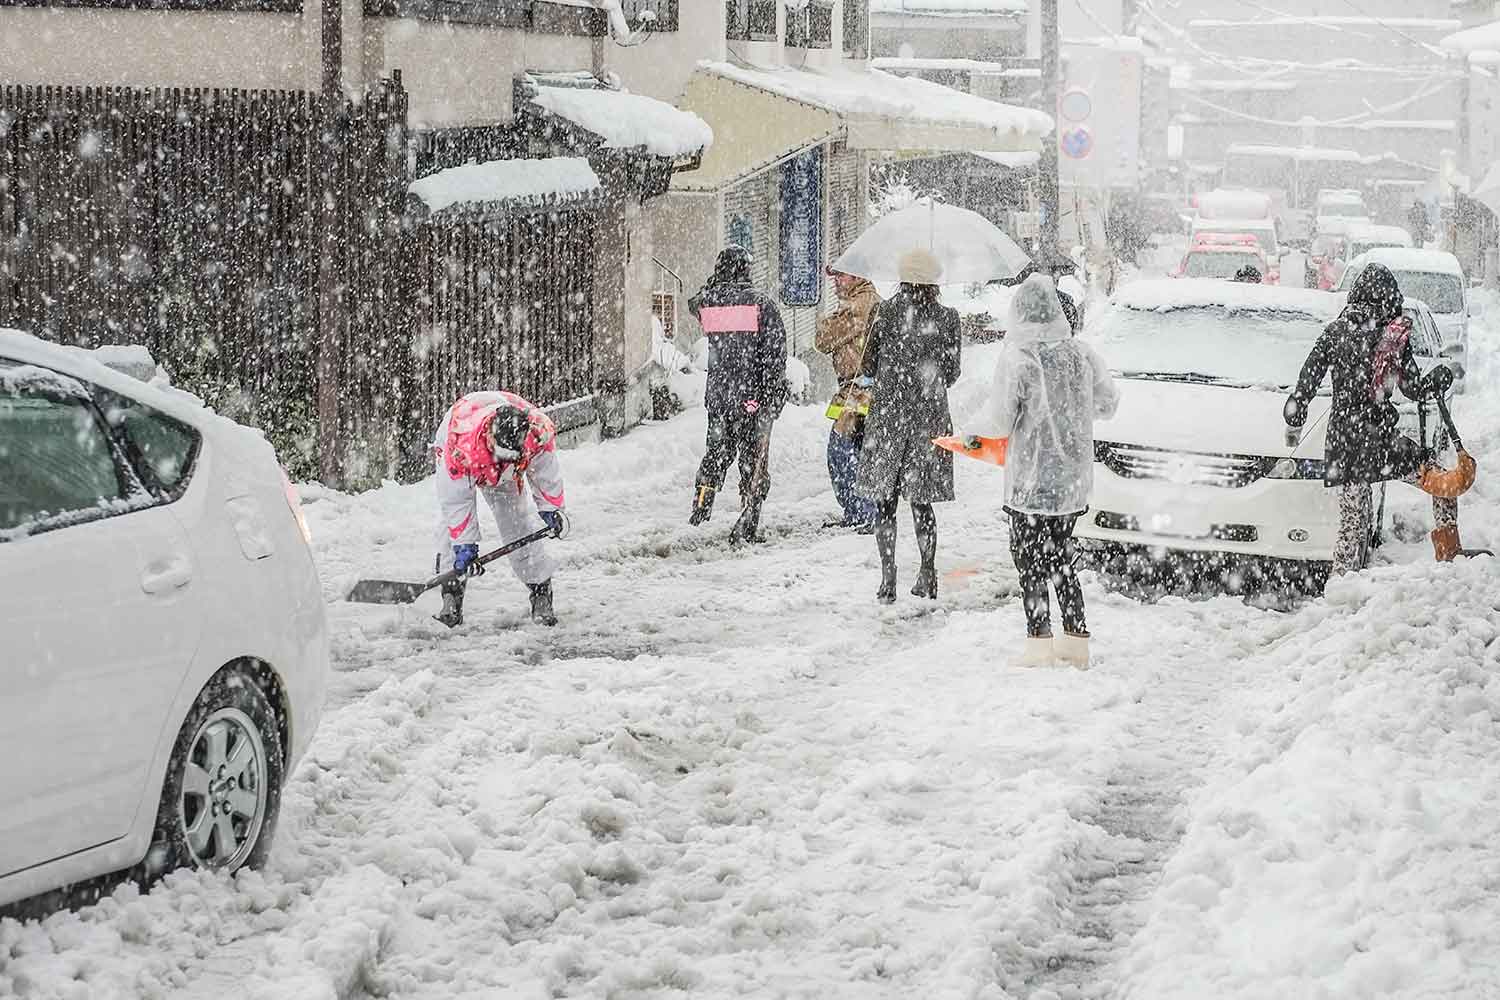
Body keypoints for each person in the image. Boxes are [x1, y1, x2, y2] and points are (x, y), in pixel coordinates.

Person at [971, 273, 1119, 669]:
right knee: (1061, 560)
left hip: (1030, 483)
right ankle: (1075, 643)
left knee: (1030, 562)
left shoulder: (1018, 358)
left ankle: (1039, 644)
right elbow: (1108, 404)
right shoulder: (1082, 355)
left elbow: (1000, 423)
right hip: (1071, 481)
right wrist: (1073, 407)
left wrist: (970, 433)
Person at [1284, 263, 1463, 574]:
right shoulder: (1393, 338)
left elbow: (1308, 378)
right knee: (1441, 482)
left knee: (1352, 525)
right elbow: (1414, 390)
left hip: (1344, 444)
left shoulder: (1335, 332)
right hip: (1379, 438)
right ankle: (1450, 557)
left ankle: (1342, 582)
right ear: (1390, 299)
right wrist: (1443, 374)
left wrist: (1297, 410)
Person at [857, 249, 962, 603]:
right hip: (928, 420)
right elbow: (951, 373)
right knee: (922, 501)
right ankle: (927, 571)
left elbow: (868, 366)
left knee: (884, 501)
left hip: (888, 418)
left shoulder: (884, 312)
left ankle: (888, 578)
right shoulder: (948, 318)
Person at [432, 390, 568, 628]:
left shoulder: (536, 433)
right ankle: (451, 594)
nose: (504, 462)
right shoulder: (460, 445)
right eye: (502, 456)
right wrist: (465, 545)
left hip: (504, 469)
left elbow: (545, 469)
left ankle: (540, 591)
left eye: (510, 457)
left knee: (516, 522)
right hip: (466, 454)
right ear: (491, 436)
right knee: (452, 530)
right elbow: (456, 500)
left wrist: (551, 508)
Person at [687, 245, 789, 544]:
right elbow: (774, 358)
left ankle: (701, 507)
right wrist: (772, 399)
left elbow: (695, 302)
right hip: (753, 402)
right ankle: (749, 516)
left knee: (715, 456)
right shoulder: (762, 305)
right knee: (753, 463)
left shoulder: (709, 304)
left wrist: (715, 283)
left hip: (720, 400)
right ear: (747, 269)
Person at [815, 265, 880, 531]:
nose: (836, 282)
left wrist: (824, 322)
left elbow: (823, 340)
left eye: (840, 276)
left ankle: (862, 512)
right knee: (861, 450)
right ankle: (865, 511)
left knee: (841, 450)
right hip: (855, 389)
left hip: (858, 391)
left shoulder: (860, 304)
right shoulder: (866, 300)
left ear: (857, 276)